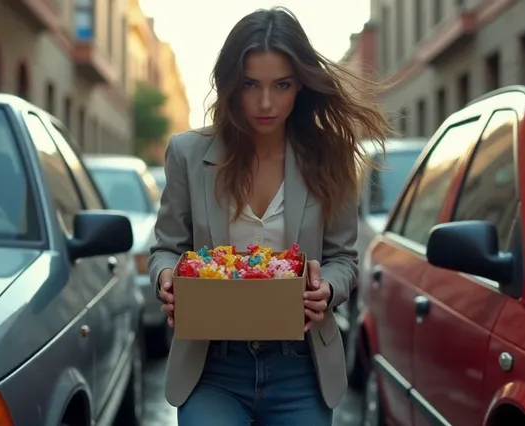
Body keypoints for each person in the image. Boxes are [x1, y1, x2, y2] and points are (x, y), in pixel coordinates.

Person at [148, 7, 390, 426]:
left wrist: (325, 291)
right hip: (212, 366)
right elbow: (166, 249)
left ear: (300, 85)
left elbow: (344, 261)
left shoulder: (328, 156)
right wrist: (166, 279)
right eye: (250, 85)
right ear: (230, 85)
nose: (265, 102)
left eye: (281, 85)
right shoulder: (187, 154)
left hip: (301, 367)